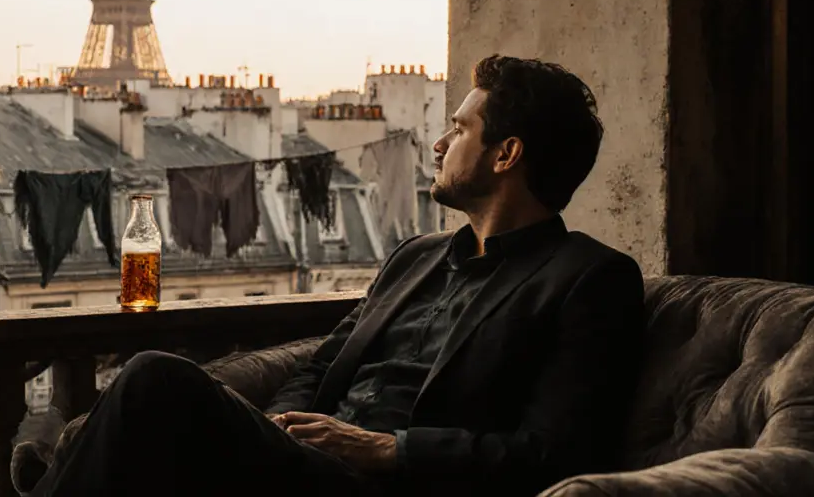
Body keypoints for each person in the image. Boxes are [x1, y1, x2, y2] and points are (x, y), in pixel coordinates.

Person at [31, 55, 646, 497]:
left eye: (459, 129)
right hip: (309, 464)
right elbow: (322, 367)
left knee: (152, 378)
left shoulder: (589, 280)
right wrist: (279, 429)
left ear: (506, 155)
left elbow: (553, 453)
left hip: (385, 481)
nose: (437, 143)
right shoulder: (416, 257)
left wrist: (385, 449)